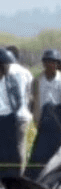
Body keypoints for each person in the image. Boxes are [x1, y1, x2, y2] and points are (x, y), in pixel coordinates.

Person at [28, 50, 61, 177]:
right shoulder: (37, 80)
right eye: (47, 62)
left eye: (52, 62)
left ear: (57, 64)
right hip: (44, 116)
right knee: (40, 152)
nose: (49, 65)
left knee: (60, 149)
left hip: (59, 116)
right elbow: (35, 100)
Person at [0, 49, 26, 178]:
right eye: (5, 65)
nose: (7, 68)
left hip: (9, 119)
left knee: (11, 152)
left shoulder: (10, 80)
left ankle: (13, 178)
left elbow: (18, 100)